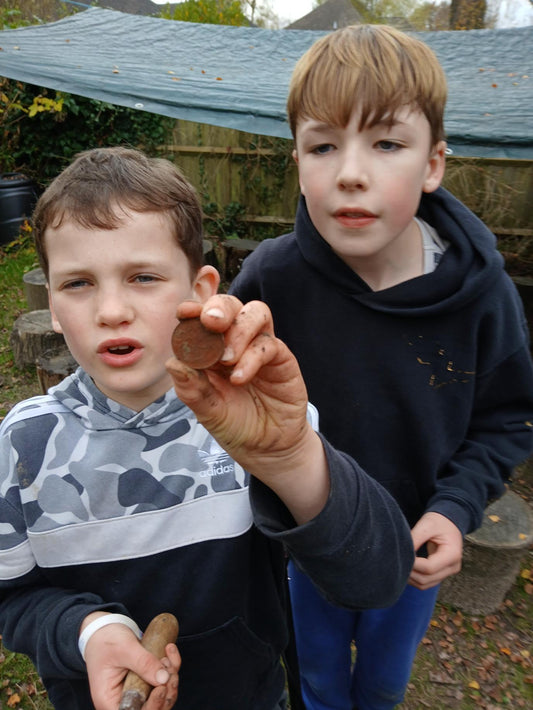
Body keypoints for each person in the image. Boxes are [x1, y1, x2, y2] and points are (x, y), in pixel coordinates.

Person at [0, 147, 415, 710]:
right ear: (50, 302)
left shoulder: (256, 421)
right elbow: (12, 602)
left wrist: (291, 458)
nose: (112, 310)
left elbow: (377, 579)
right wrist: (89, 631)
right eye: (78, 284)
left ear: (200, 291)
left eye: (143, 276)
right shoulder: (23, 449)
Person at [229, 24, 533, 710]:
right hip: (309, 545)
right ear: (297, 160)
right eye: (322, 145)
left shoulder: (481, 295)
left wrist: (455, 512)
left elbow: (505, 421)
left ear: (432, 165)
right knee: (316, 678)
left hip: (411, 551)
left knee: (383, 685)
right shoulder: (270, 279)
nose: (350, 172)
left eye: (386, 143)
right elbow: (213, 386)